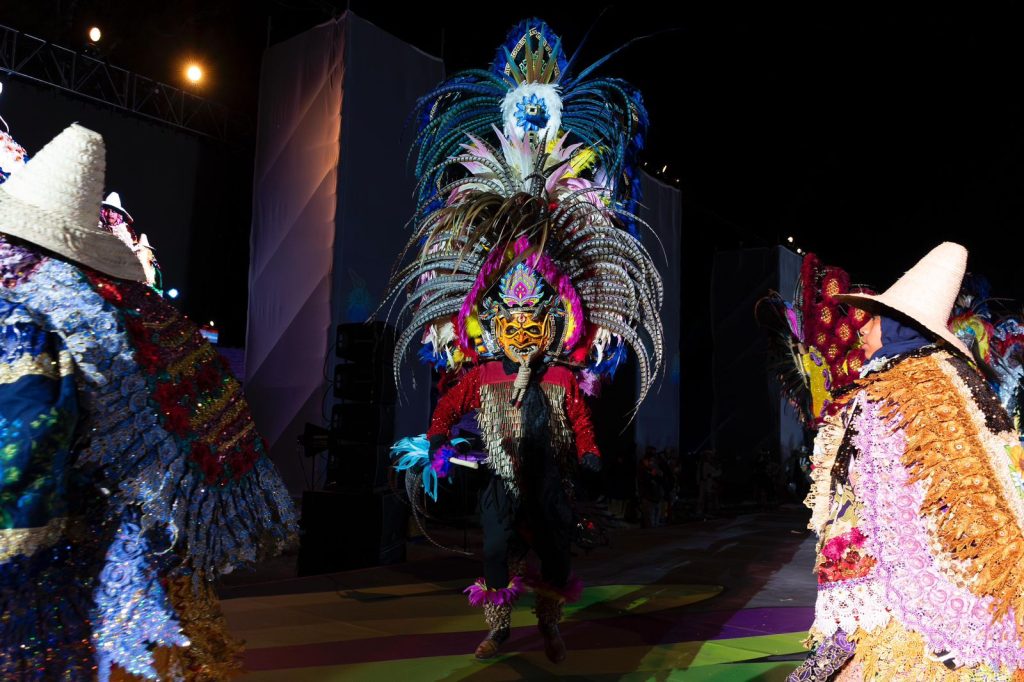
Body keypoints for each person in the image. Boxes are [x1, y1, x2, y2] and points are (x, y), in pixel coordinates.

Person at [383, 19, 663, 665]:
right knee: (494, 548)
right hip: (499, 481)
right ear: (493, 325)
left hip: (550, 480)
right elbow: (449, 406)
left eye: (535, 323)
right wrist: (435, 440)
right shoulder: (483, 375)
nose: (523, 332)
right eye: (511, 324)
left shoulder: (561, 378)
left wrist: (588, 453)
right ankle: (499, 626)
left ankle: (550, 622)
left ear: (554, 325)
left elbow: (582, 422)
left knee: (555, 551)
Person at [0, 123, 297, 680]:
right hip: (146, 562)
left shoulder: (31, 306)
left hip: (61, 584)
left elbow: (21, 464)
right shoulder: (133, 316)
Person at [789, 242, 1024, 680]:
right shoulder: (949, 380)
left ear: (899, 326)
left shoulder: (896, 392)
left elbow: (891, 508)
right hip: (960, 592)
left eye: (875, 319)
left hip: (906, 603)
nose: (862, 329)